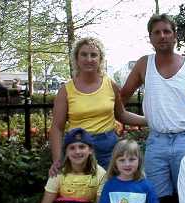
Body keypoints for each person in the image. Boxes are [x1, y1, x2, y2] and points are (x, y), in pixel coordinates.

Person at [120, 13, 185, 203]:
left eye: (167, 31)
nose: (162, 36)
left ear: (175, 35)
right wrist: (146, 120)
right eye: (157, 32)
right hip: (157, 141)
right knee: (158, 198)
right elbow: (121, 99)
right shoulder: (144, 65)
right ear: (150, 38)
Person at [49, 37, 146, 175]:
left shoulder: (110, 85)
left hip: (108, 149)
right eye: (84, 54)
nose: (89, 59)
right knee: (81, 192)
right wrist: (57, 160)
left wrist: (149, 120)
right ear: (76, 58)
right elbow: (57, 128)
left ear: (100, 59)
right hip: (78, 148)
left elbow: (121, 114)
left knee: (109, 192)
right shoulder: (65, 90)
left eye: (94, 55)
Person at [40, 128, 106, 203]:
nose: (77, 152)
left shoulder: (100, 174)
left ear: (90, 150)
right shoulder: (58, 173)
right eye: (72, 148)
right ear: (66, 151)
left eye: (82, 147)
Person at [99, 139, 160, 203]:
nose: (127, 164)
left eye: (132, 159)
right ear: (115, 163)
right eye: (122, 160)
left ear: (139, 160)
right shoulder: (109, 186)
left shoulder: (146, 186)